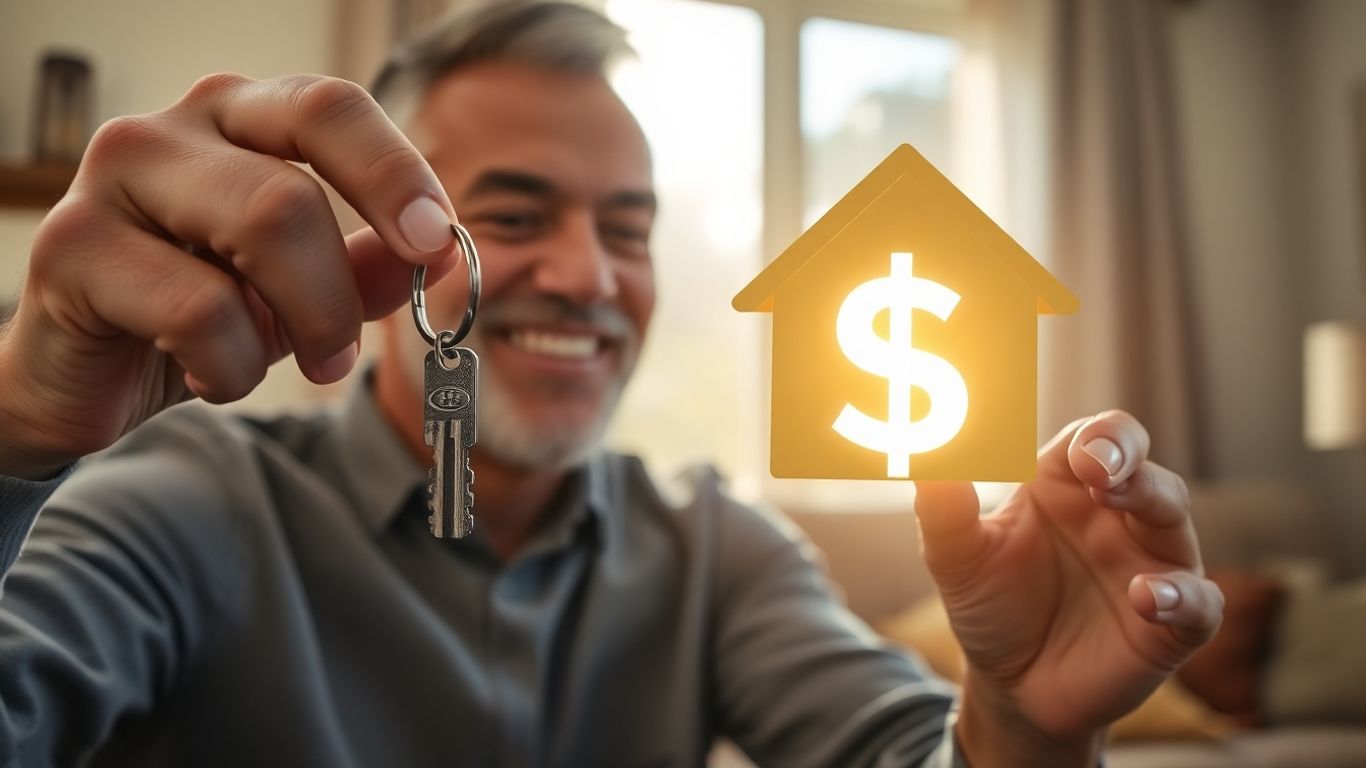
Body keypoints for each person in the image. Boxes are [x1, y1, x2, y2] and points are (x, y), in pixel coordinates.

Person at [0, 2, 1222, 766]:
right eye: (515, 214)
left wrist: (1021, 729)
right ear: (372, 236)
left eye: (627, 229)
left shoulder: (720, 549)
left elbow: (910, 752)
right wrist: (12, 432)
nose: (587, 276)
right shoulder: (184, 502)